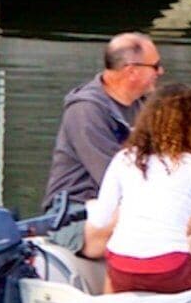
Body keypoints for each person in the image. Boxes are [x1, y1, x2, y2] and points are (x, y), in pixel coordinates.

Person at [84, 83, 191, 295]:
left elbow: (100, 219)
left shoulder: (124, 158)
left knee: (116, 264)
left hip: (123, 268)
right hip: (170, 272)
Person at [44, 32, 161, 215]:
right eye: (156, 66)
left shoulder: (145, 106)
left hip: (128, 203)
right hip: (76, 211)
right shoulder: (86, 110)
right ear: (131, 71)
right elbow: (111, 177)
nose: (160, 72)